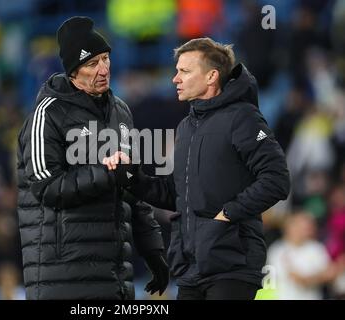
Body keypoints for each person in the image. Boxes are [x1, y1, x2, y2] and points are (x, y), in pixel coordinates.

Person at [104, 37, 291, 300]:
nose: (175, 79)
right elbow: (176, 193)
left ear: (212, 76)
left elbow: (277, 179)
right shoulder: (186, 126)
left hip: (232, 264)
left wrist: (227, 213)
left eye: (184, 71)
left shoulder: (243, 117)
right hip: (191, 264)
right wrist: (133, 177)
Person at [16, 16, 168, 300]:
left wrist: (152, 248)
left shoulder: (121, 111)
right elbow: (45, 186)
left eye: (106, 59)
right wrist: (105, 173)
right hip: (61, 276)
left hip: (114, 275)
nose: (103, 69)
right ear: (73, 72)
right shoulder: (47, 114)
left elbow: (133, 185)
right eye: (92, 63)